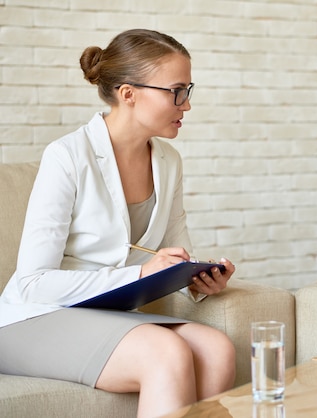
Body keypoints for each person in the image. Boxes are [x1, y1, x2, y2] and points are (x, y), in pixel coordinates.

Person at [0, 29, 237, 417]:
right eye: (176, 91)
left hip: (107, 315)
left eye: (188, 89)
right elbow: (32, 282)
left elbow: (172, 255)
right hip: (33, 316)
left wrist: (198, 279)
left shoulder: (168, 161)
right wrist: (141, 273)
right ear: (129, 94)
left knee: (217, 349)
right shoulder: (66, 156)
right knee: (166, 352)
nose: (187, 105)